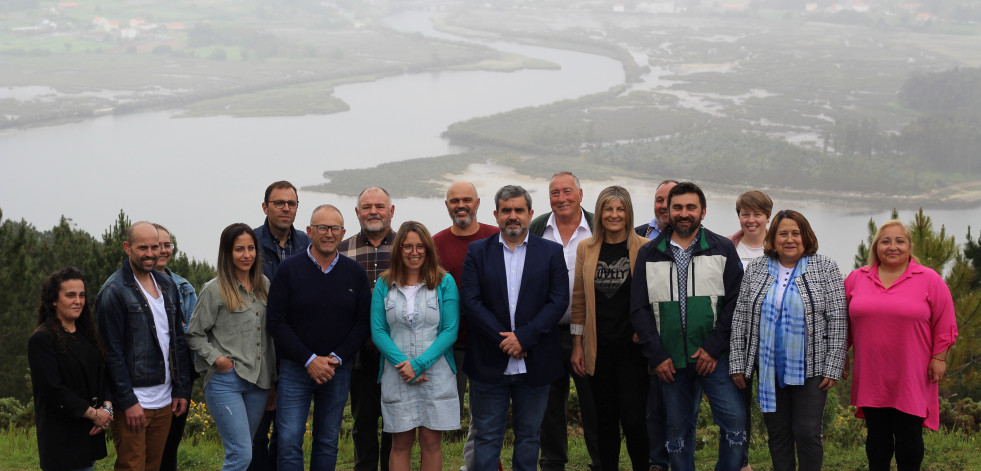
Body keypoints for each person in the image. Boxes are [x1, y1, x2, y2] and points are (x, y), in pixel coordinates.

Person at [630, 182, 746, 471]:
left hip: (715, 358)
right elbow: (639, 309)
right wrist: (657, 356)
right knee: (677, 434)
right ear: (668, 211)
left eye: (691, 207)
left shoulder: (723, 249)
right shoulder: (650, 253)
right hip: (670, 360)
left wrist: (713, 347)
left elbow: (735, 303)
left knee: (735, 427)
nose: (684, 213)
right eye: (677, 207)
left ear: (703, 211)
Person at [460, 185, 569, 471]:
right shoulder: (477, 252)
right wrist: (505, 341)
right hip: (488, 362)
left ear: (530, 214)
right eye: (506, 210)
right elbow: (471, 302)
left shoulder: (551, 252)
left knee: (530, 438)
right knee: (486, 438)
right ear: (495, 214)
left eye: (519, 210)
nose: (513, 216)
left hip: (535, 361)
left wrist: (524, 338)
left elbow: (558, 302)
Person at [730, 210, 848, 471]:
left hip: (813, 368)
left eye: (796, 233)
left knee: (806, 433)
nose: (789, 239)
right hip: (769, 367)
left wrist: (833, 365)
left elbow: (838, 319)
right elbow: (740, 318)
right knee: (779, 435)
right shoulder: (757, 269)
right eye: (783, 233)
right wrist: (738, 362)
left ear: (806, 236)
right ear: (773, 237)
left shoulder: (825, 267)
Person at [845, 220, 958, 471]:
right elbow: (844, 323)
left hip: (912, 373)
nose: (892, 247)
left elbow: (945, 321)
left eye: (900, 241)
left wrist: (938, 358)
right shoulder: (857, 278)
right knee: (877, 439)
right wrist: (842, 355)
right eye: (885, 241)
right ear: (876, 246)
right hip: (872, 373)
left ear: (909, 246)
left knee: (909, 439)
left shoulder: (929, 279)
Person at [266, 204, 371, 471]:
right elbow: (276, 322)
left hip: (338, 369)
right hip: (295, 368)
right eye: (322, 228)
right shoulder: (289, 270)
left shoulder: (354, 272)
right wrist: (309, 359)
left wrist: (335, 358)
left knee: (327, 441)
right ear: (309, 231)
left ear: (343, 232)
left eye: (335, 228)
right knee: (289, 440)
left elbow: (362, 324)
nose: (328, 234)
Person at [96, 221, 191, 471]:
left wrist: (181, 389)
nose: (151, 253)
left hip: (165, 400)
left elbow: (177, 341)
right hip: (135, 402)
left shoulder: (167, 285)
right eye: (143, 247)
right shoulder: (113, 291)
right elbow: (111, 353)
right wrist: (127, 401)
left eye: (155, 247)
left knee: (154, 466)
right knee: (132, 466)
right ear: (128, 248)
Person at [569, 186, 649, 470]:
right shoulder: (586, 249)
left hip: (634, 351)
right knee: (604, 420)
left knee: (635, 420)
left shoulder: (644, 247)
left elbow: (652, 296)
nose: (614, 215)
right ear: (599, 213)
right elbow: (578, 300)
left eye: (620, 209)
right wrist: (577, 346)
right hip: (598, 349)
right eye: (608, 209)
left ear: (628, 214)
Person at [527, 171, 602, 471]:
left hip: (589, 332)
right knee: (549, 404)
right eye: (555, 193)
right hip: (547, 331)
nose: (562, 198)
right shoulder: (537, 228)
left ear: (581, 194)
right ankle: (553, 462)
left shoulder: (597, 227)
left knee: (594, 402)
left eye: (567, 191)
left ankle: (601, 461)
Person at [371, 221, 460, 471]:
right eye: (407, 246)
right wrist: (405, 366)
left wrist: (419, 365)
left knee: (431, 443)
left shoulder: (445, 282)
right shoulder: (384, 284)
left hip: (436, 374)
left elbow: (450, 330)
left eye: (420, 246)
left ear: (429, 249)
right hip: (397, 375)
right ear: (398, 249)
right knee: (400, 443)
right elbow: (378, 331)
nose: (414, 252)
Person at [186, 224, 276, 471]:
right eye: (239, 249)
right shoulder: (214, 289)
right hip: (227, 382)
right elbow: (193, 334)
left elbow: (269, 338)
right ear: (227, 252)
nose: (246, 255)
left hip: (259, 383)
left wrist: (273, 382)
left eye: (250, 248)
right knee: (241, 455)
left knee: (244, 452)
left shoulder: (264, 286)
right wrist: (218, 360)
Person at [431, 181, 499, 471]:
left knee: (486, 414)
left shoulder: (495, 237)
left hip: (488, 342)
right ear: (447, 205)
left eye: (467, 200)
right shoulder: (435, 243)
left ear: (478, 203)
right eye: (455, 200)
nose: (461, 205)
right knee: (446, 412)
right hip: (450, 343)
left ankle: (478, 465)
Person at [251, 180, 311, 471]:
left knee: (287, 435)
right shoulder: (249, 243)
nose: (286, 208)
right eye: (279, 203)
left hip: (294, 351)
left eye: (292, 203)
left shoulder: (307, 245)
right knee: (256, 433)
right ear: (265, 207)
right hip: (257, 349)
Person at [29, 267, 114, 471]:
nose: (78, 301)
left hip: (90, 433)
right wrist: (94, 414)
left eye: (82, 295)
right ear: (54, 300)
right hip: (62, 437)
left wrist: (107, 408)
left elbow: (103, 374)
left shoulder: (87, 334)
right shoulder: (42, 339)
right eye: (70, 295)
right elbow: (54, 389)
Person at [339, 186, 396, 471]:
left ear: (391, 212)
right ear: (357, 213)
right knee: (362, 423)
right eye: (367, 206)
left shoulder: (407, 248)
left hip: (398, 355)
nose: (373, 211)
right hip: (358, 355)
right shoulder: (342, 250)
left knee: (395, 424)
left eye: (380, 206)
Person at [633, 179, 682, 471]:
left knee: (678, 407)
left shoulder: (695, 239)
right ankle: (657, 462)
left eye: (671, 200)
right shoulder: (636, 235)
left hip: (679, 338)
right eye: (659, 199)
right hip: (642, 338)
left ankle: (678, 459)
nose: (663, 206)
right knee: (650, 408)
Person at [154, 224, 199, 471]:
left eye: (167, 245)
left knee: (171, 445)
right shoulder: (129, 287)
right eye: (156, 245)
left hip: (179, 376)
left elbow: (190, 335)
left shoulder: (184, 287)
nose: (162, 250)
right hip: (149, 379)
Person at [729, 191, 773, 265]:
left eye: (757, 214)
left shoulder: (780, 248)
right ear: (739, 216)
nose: (751, 220)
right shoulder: (725, 247)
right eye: (745, 215)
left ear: (768, 217)